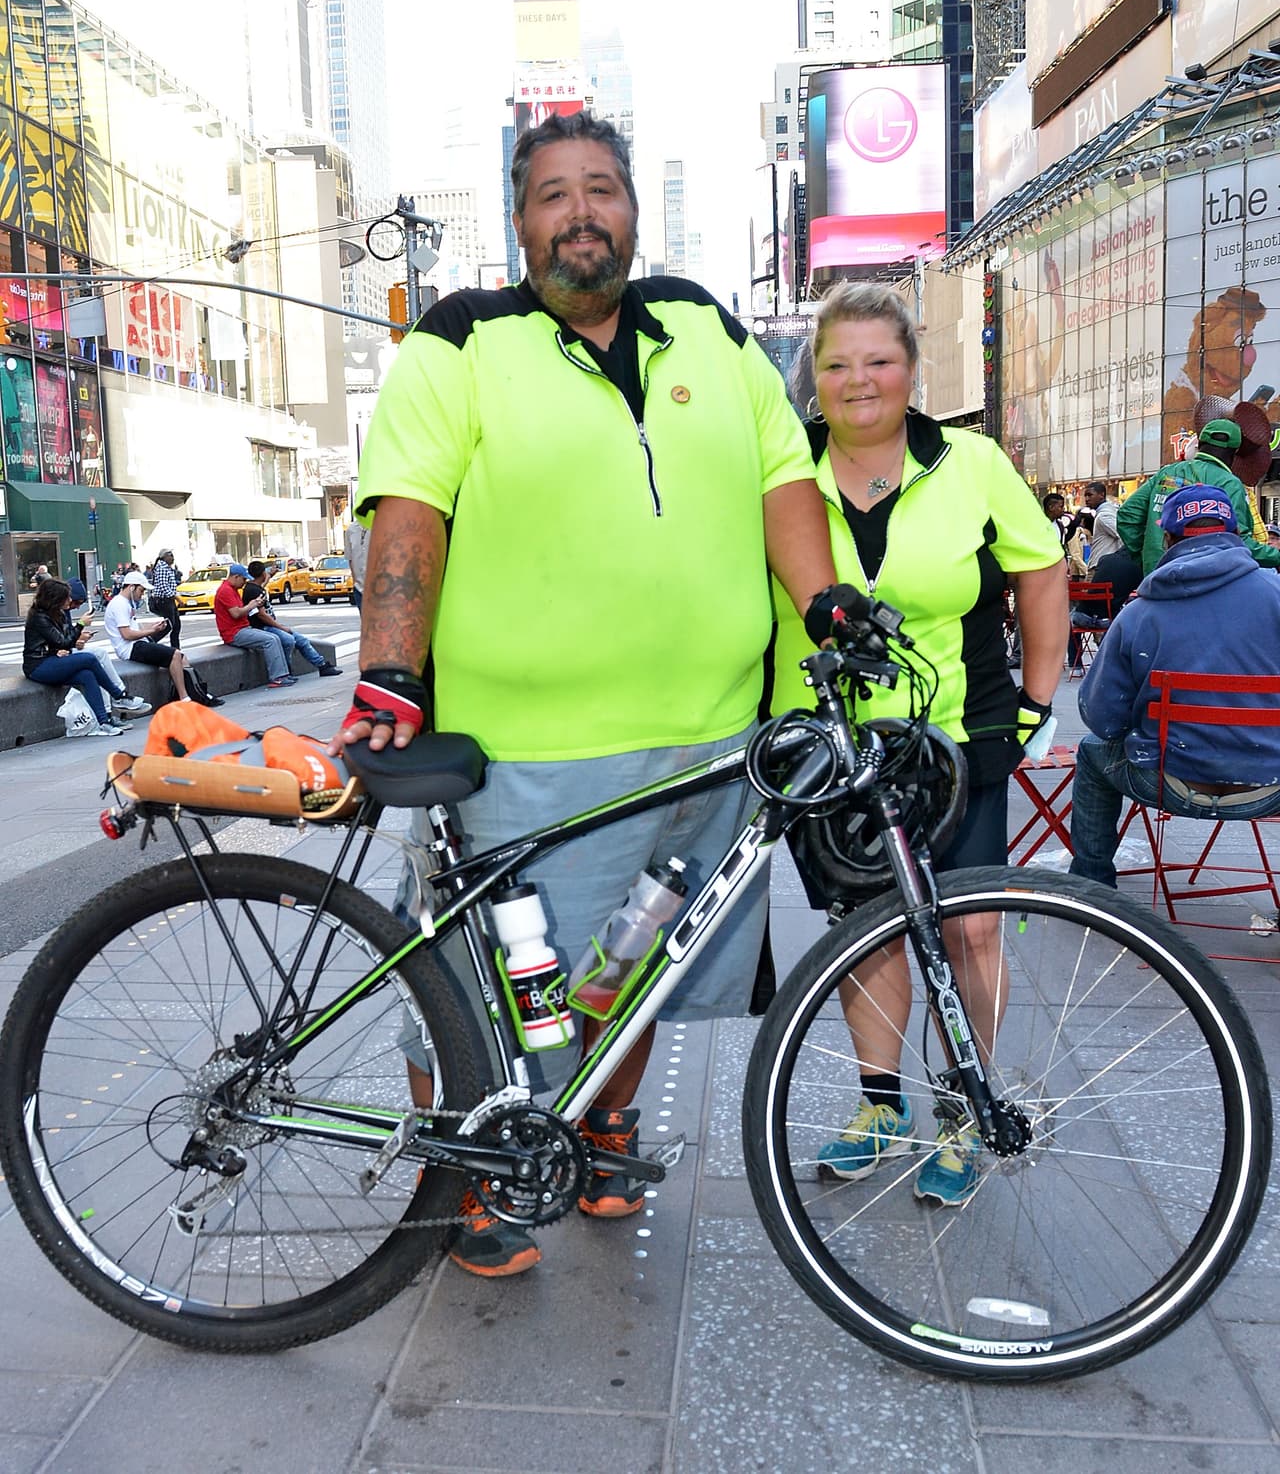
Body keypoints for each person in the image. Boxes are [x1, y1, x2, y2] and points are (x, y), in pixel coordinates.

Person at [336, 110, 835, 1278]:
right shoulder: (458, 340)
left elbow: (782, 480)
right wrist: (392, 675)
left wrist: (828, 613)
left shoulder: (707, 329)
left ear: (630, 212)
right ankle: (461, 1177)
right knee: (479, 982)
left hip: (710, 743)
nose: (579, 212)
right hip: (522, 755)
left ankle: (597, 1125)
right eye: (552, 193)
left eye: (599, 188)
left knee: (641, 956)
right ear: (519, 223)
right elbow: (408, 510)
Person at [770, 281, 1067, 1207]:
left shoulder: (970, 461)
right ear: (814, 378)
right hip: (833, 742)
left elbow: (1042, 569)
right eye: (837, 364)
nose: (859, 381)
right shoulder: (785, 470)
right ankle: (880, 1105)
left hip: (958, 730)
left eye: (880, 360)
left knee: (970, 925)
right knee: (866, 930)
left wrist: (1038, 699)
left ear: (911, 369)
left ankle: (963, 1111)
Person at [1070, 484, 1280, 889]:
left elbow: (1101, 718)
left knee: (1093, 754)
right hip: (1270, 784)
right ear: (1236, 535)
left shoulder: (1139, 613)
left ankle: (1092, 888)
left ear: (1167, 539)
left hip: (1170, 782)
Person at [1118, 418, 1280, 574]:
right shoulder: (1229, 483)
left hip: (1157, 576)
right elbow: (1240, 543)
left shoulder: (1166, 473)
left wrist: (1148, 558)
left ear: (1200, 444)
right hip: (1207, 580)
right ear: (1234, 453)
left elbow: (1127, 516)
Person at [23, 578, 140, 734]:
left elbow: (62, 640)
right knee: (89, 658)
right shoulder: (39, 617)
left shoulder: (57, 613)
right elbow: (63, 641)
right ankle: (118, 695)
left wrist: (62, 646)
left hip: (51, 659)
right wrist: (81, 625)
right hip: (37, 666)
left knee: (87, 675)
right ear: (55, 599)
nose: (70, 601)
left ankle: (103, 722)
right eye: (67, 597)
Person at [104, 571, 202, 704]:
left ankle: (194, 691)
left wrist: (152, 627)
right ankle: (184, 697)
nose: (142, 594)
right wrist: (151, 631)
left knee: (181, 657)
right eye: (141, 590)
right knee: (175, 654)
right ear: (132, 587)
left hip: (136, 645)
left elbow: (133, 629)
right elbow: (126, 634)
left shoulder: (125, 602)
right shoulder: (120, 604)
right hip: (130, 649)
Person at [65, 580, 151, 717]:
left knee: (96, 665)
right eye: (75, 603)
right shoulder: (54, 612)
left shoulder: (64, 610)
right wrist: (80, 625)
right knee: (98, 657)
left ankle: (107, 714)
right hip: (52, 659)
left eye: (79, 604)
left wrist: (77, 641)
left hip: (62, 653)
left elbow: (64, 638)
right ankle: (120, 696)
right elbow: (57, 641)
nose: (75, 607)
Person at [242, 561, 342, 677]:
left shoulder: (254, 587)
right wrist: (281, 627)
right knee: (288, 640)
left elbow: (262, 586)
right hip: (264, 627)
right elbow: (262, 615)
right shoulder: (253, 590)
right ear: (262, 573)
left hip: (269, 625)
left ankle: (322, 666)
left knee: (302, 641)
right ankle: (286, 671)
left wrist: (270, 575)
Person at [213, 564, 294, 686]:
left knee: (275, 638)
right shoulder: (226, 591)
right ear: (236, 577)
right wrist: (252, 605)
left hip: (242, 629)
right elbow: (235, 614)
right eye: (243, 579)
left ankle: (284, 674)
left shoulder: (232, 589)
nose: (245, 582)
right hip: (234, 633)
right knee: (270, 640)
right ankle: (278, 677)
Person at [148, 548, 182, 648]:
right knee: (169, 625)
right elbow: (164, 586)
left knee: (176, 626)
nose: (172, 557)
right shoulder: (162, 568)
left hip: (169, 600)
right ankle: (151, 641)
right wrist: (177, 597)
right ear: (164, 557)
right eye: (170, 555)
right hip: (164, 601)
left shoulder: (167, 568)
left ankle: (176, 649)